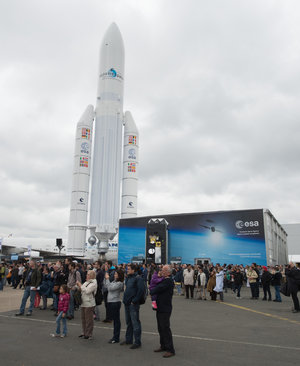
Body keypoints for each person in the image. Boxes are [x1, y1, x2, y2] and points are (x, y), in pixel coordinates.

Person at [150, 265, 175, 358]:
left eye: (164, 270)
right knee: (160, 327)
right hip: (160, 307)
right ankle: (163, 345)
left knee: (165, 328)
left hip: (165, 308)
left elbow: (157, 289)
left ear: (168, 272)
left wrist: (152, 290)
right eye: (162, 270)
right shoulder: (164, 280)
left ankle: (170, 349)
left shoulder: (168, 281)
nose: (162, 271)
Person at [121, 263, 144, 349]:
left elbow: (141, 291)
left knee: (135, 323)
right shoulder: (128, 278)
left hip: (133, 304)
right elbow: (126, 289)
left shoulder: (138, 278)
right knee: (129, 322)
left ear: (134, 270)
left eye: (129, 269)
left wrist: (134, 301)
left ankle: (137, 342)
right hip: (127, 303)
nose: (127, 270)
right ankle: (128, 339)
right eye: (127, 269)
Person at [77, 270, 97, 339]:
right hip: (83, 302)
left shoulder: (94, 283)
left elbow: (88, 291)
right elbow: (83, 289)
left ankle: (89, 334)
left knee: (89, 320)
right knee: (83, 319)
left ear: (91, 276)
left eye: (88, 274)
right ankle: (84, 332)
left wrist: (80, 286)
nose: (86, 275)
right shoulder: (86, 282)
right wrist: (79, 287)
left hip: (89, 303)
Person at [105, 269, 124, 344]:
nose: (114, 275)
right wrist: (107, 280)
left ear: (119, 275)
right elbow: (107, 286)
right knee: (115, 320)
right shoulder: (114, 281)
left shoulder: (120, 283)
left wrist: (107, 279)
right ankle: (115, 336)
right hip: (111, 302)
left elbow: (110, 288)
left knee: (116, 320)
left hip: (115, 302)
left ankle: (116, 337)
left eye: (116, 274)